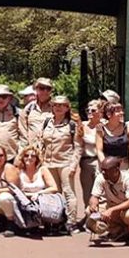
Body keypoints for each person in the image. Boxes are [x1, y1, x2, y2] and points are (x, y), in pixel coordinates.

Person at [39, 96, 82, 234]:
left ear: (67, 108)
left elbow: (78, 146)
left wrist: (74, 165)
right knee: (53, 193)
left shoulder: (72, 125)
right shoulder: (47, 122)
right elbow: (41, 142)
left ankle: (71, 222)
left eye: (62, 105)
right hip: (48, 163)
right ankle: (55, 220)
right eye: (56, 105)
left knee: (69, 193)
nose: (58, 107)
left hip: (65, 163)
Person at [85, 156, 129, 244]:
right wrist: (93, 204)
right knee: (89, 211)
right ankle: (118, 232)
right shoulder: (101, 178)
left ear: (116, 169)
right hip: (113, 207)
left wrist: (111, 210)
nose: (103, 172)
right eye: (102, 169)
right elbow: (94, 196)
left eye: (106, 170)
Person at [96, 103, 129, 173]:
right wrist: (105, 165)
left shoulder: (128, 127)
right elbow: (99, 150)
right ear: (108, 114)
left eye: (122, 110)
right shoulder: (100, 129)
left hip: (124, 166)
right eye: (118, 111)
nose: (122, 113)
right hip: (106, 166)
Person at [79, 100, 103, 209]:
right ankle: (88, 214)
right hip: (85, 162)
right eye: (87, 110)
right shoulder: (82, 126)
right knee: (87, 191)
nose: (89, 112)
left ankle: (100, 213)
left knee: (99, 190)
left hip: (100, 162)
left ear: (100, 112)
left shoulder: (104, 126)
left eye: (93, 110)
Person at [19, 78, 54, 147]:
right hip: (32, 150)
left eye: (48, 89)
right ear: (36, 89)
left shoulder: (56, 108)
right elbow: (23, 132)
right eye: (42, 88)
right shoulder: (28, 109)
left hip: (51, 150)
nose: (45, 91)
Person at [0, 85, 20, 162]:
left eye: (4, 97)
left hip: (12, 155)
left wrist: (20, 154)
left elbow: (23, 135)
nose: (1, 99)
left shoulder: (18, 113)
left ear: (9, 98)